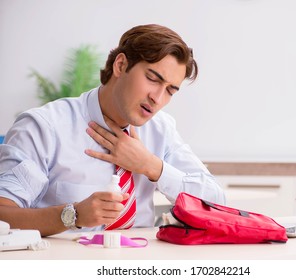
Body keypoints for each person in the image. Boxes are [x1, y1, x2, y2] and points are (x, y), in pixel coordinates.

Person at [0, 24, 226, 237]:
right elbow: (3, 215)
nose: (157, 98)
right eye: (152, 79)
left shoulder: (161, 129)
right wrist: (72, 215)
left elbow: (217, 201)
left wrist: (151, 166)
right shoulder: (45, 127)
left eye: (170, 91)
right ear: (120, 65)